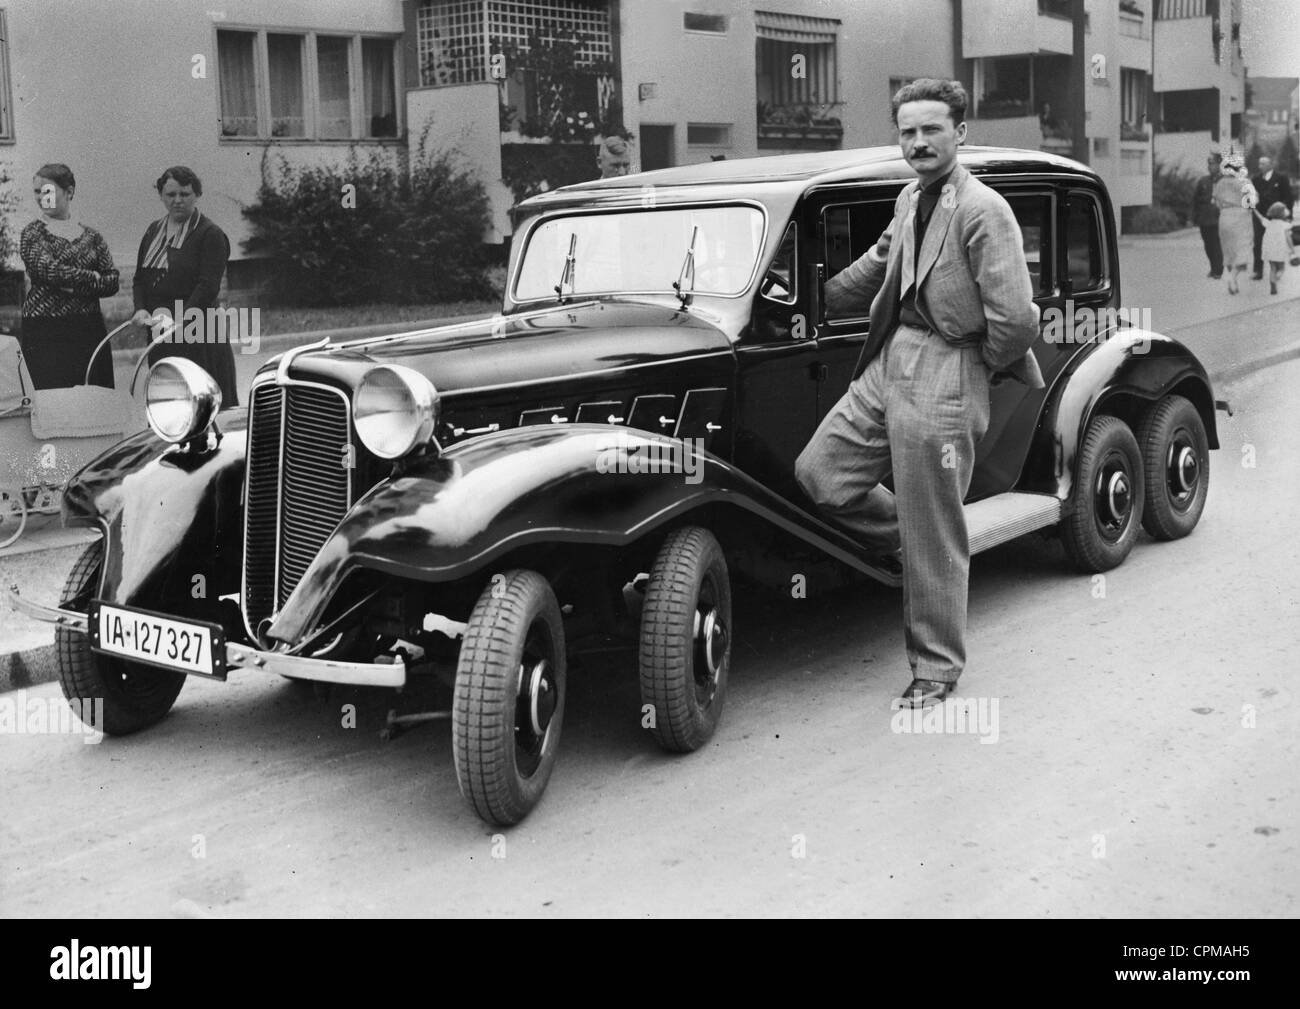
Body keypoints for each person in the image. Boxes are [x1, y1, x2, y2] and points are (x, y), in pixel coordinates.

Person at [794, 78, 1040, 709]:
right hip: (890, 359)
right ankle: (924, 538)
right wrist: (799, 296)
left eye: (932, 129)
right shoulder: (909, 199)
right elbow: (876, 266)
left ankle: (936, 667)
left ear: (960, 133)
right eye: (908, 131)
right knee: (821, 474)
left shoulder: (984, 210)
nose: (919, 142)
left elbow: (1016, 319)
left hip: (950, 364)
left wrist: (969, 365)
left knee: (935, 523)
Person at [130, 166, 237, 405]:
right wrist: (140, 308)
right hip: (161, 331)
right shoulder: (153, 231)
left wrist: (179, 321)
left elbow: (208, 287)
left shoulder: (210, 234)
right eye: (171, 195)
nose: (177, 200)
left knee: (202, 404)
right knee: (168, 404)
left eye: (185, 194)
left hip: (198, 331)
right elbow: (140, 278)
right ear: (161, 196)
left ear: (196, 195)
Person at [18, 163, 119, 390]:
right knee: (54, 401)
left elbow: (112, 281)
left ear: (69, 191)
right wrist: (92, 277)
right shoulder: (32, 233)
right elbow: (47, 271)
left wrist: (73, 285)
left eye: (48, 191)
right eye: (37, 191)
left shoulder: (92, 236)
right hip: (46, 329)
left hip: (88, 327)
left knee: (95, 397)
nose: (41, 198)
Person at [1213, 152, 1256, 295]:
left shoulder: (1220, 183)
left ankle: (1233, 281)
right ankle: (1232, 278)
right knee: (1243, 249)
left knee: (1229, 250)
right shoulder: (1244, 181)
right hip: (1241, 217)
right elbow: (1253, 201)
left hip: (1224, 217)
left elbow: (1215, 202)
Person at [1250, 156, 1292, 280]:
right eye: (1259, 164)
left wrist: (1287, 214)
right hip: (1260, 217)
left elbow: (1288, 196)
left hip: (1277, 217)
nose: (1260, 166)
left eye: (1263, 164)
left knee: (1277, 242)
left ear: (1270, 165)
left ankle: (1278, 267)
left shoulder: (1281, 178)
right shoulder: (1255, 179)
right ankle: (1258, 271)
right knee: (1258, 243)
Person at [1253, 201, 1296, 295]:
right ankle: (1276, 279)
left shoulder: (1269, 223)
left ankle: (1272, 282)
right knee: (1281, 269)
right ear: (1282, 213)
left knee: (1272, 268)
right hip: (1280, 250)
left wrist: (1254, 209)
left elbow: (1260, 218)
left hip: (1269, 249)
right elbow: (1288, 239)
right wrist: (1292, 250)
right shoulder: (1285, 225)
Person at [1192, 153, 1223, 279]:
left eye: (1212, 163)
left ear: (1219, 165)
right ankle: (1213, 268)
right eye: (1209, 164)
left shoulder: (1225, 180)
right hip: (1205, 219)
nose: (1209, 166)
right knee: (1208, 245)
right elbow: (1195, 200)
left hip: (1219, 218)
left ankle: (1218, 270)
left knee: (1217, 245)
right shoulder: (1203, 181)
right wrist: (1194, 217)